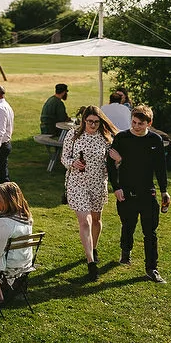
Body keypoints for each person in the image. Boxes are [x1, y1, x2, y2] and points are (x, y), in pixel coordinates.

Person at [108, 105, 171, 283]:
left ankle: (152, 268)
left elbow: (160, 168)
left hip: (147, 191)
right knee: (128, 225)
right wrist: (116, 188)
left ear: (149, 123)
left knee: (150, 232)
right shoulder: (121, 138)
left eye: (140, 124)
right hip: (126, 191)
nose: (136, 126)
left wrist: (164, 190)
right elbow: (110, 165)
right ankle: (125, 251)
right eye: (134, 122)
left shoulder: (155, 140)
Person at [63, 104, 117, 279]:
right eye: (90, 121)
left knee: (96, 220)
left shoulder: (106, 138)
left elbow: (112, 162)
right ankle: (91, 262)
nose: (93, 125)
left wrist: (113, 164)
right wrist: (73, 163)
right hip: (77, 183)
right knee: (84, 222)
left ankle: (93, 248)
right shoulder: (73, 135)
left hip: (98, 184)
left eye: (96, 122)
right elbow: (64, 157)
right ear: (83, 120)